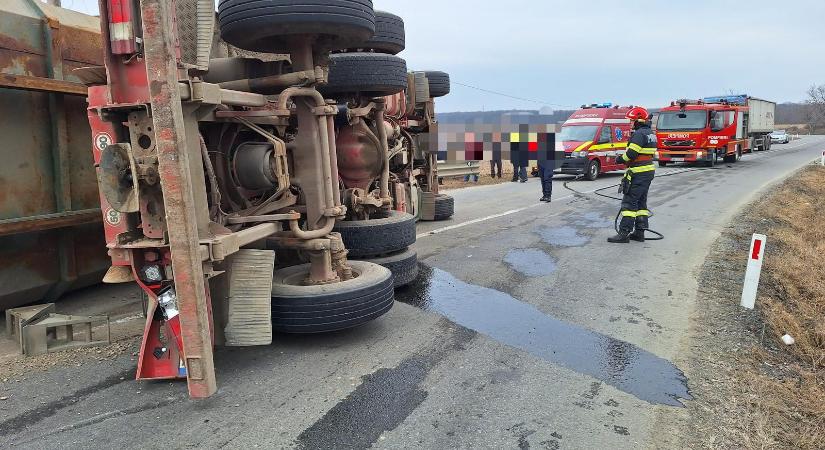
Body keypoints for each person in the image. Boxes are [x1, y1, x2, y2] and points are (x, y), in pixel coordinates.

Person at [608, 107, 657, 243]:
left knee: (629, 203)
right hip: (647, 171)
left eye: (632, 121)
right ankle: (639, 233)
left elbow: (631, 154)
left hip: (638, 172)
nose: (630, 123)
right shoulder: (651, 133)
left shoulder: (639, 134)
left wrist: (619, 159)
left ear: (638, 121)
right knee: (641, 202)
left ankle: (624, 233)